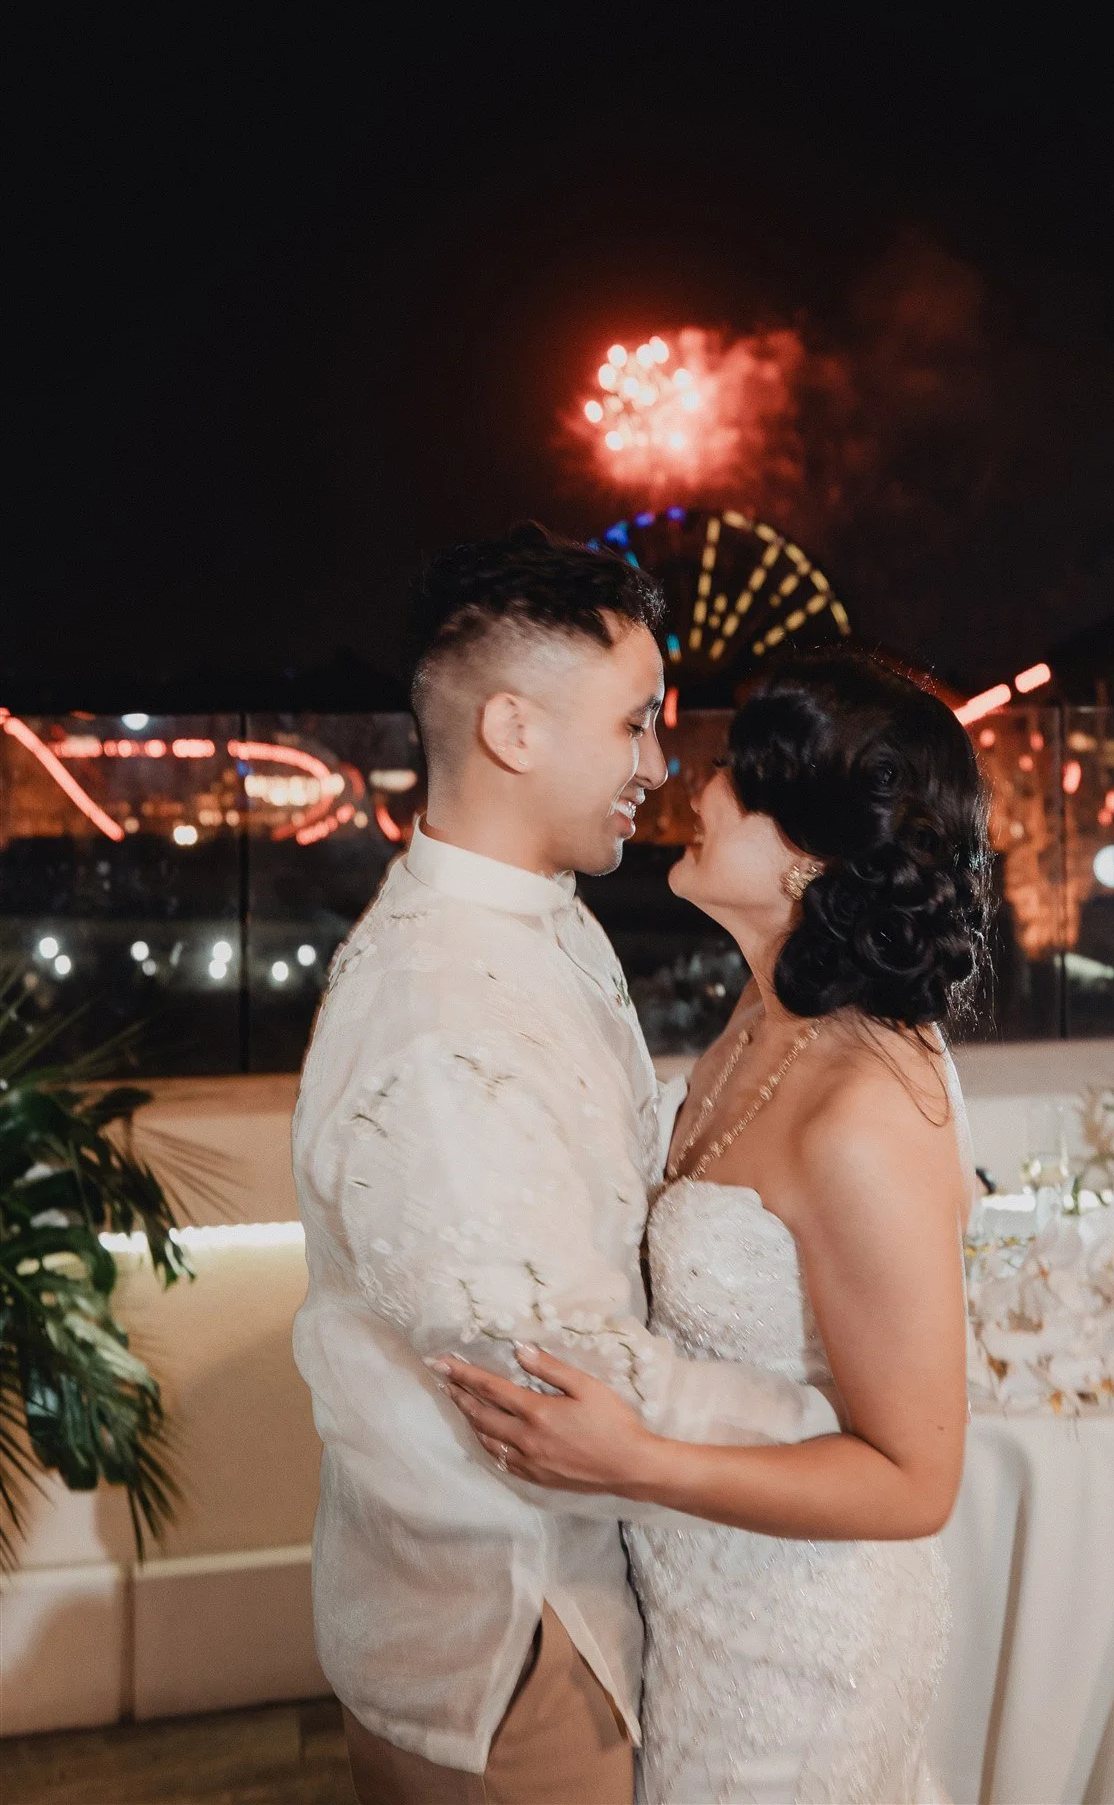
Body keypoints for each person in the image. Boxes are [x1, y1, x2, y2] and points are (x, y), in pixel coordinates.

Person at [291, 524, 839, 1805]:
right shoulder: (437, 1011)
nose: (659, 763)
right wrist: (823, 1432)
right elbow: (544, 1357)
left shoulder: (545, 921)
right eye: (636, 723)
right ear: (514, 731)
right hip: (510, 1637)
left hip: (577, 1590)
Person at [437, 652, 990, 1803]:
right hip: (694, 1594)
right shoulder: (763, 1014)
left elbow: (915, 1479)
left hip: (802, 1642)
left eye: (739, 775)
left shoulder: (862, 1110)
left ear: (807, 851)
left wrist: (637, 1459)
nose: (699, 785)